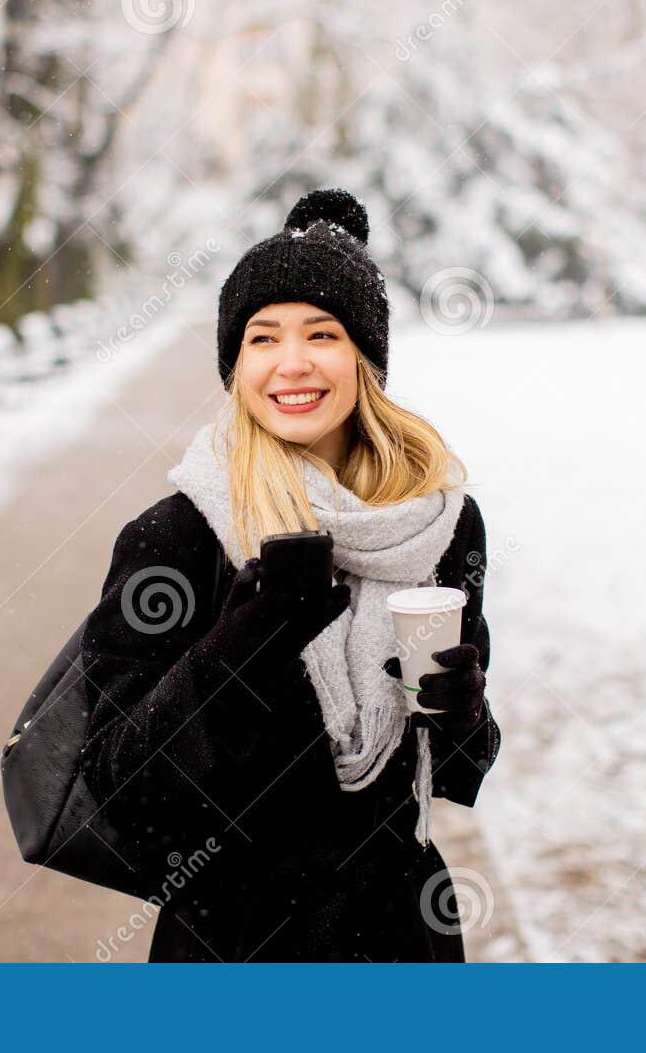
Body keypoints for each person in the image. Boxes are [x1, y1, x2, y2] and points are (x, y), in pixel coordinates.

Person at [76, 187, 501, 961]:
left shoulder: (440, 526)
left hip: (400, 938)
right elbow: (119, 785)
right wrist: (246, 640)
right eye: (263, 338)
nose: (293, 363)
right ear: (236, 366)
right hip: (233, 943)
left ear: (365, 360)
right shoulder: (178, 537)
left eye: (323, 334)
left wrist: (463, 714)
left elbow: (456, 770)